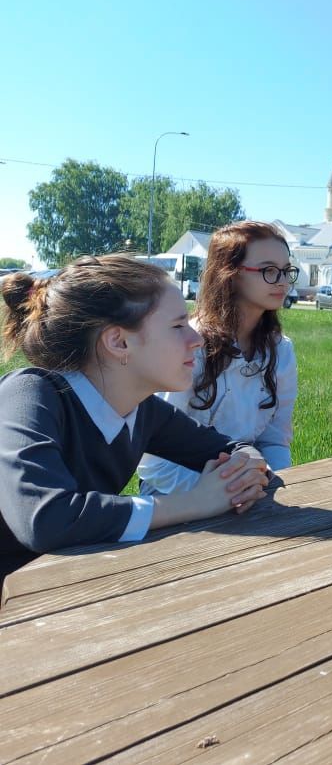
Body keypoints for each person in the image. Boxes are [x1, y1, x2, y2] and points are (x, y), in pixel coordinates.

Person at [0, 255, 269, 586]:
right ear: (119, 342)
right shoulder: (30, 394)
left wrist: (248, 468)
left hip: (58, 592)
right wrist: (194, 503)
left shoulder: (143, 410)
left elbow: (228, 448)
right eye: (177, 326)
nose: (196, 339)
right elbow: (44, 519)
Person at [138, 221, 298, 495]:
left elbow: (275, 441)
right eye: (269, 270)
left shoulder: (280, 350)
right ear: (231, 274)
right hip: (176, 491)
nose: (282, 280)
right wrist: (224, 492)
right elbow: (153, 464)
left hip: (247, 487)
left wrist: (273, 486)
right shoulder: (188, 345)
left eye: (286, 270)